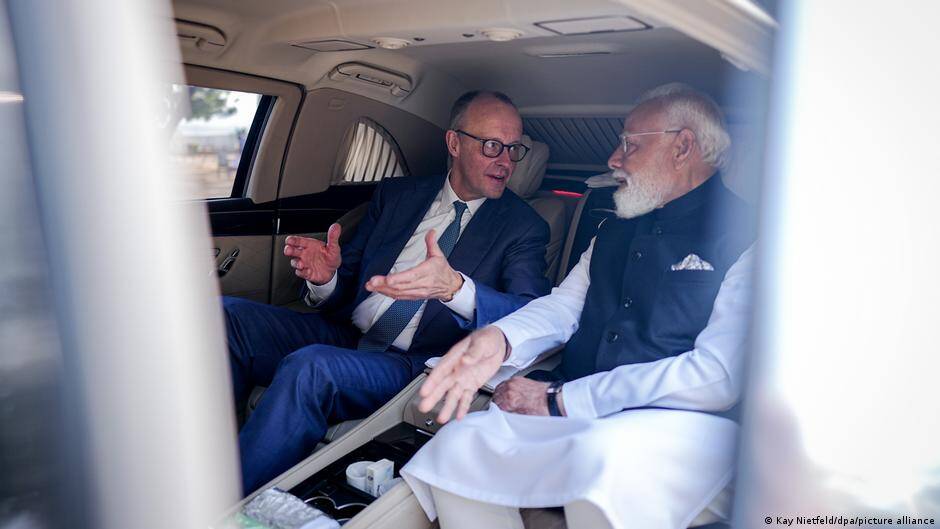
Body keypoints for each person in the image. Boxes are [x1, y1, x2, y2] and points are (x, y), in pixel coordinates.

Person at [400, 83, 757, 529]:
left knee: (602, 457)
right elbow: (565, 307)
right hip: (581, 407)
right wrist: (498, 338)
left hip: (684, 424)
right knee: (459, 444)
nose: (614, 159)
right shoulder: (613, 231)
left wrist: (563, 399)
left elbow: (717, 376)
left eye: (630, 144)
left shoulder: (751, 238)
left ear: (682, 147)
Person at [224, 90, 552, 494]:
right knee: (228, 316)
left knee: (312, 366)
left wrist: (456, 289)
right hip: (348, 334)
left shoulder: (523, 227)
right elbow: (350, 283)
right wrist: (327, 278)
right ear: (454, 143)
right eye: (492, 146)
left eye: (514, 149)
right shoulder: (398, 196)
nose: (505, 161)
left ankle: (226, 506)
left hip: (413, 363)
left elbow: (531, 315)